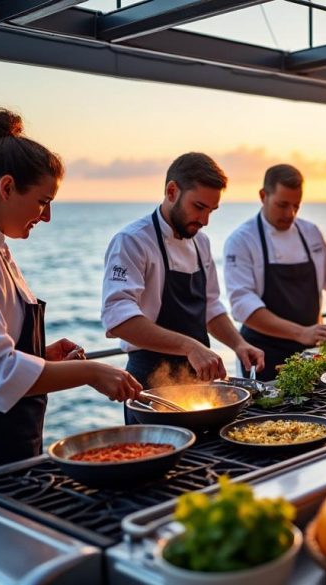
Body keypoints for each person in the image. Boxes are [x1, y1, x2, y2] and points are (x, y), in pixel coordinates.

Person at [0, 108, 142, 492]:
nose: (47, 216)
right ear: (6, 187)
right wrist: (92, 372)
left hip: (1, 435)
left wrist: (41, 355)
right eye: (42, 201)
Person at [101, 153, 264, 420]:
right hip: (151, 385)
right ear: (172, 191)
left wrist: (239, 344)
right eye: (198, 207)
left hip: (201, 382)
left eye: (211, 211)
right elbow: (118, 320)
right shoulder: (132, 241)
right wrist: (190, 347)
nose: (205, 220)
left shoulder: (201, 243)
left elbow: (211, 307)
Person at [223, 164, 326, 379]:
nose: (290, 214)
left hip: (311, 353)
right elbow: (244, 307)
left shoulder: (311, 232)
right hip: (263, 355)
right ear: (263, 196)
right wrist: (301, 332)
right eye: (282, 205)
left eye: (296, 206)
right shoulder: (241, 240)